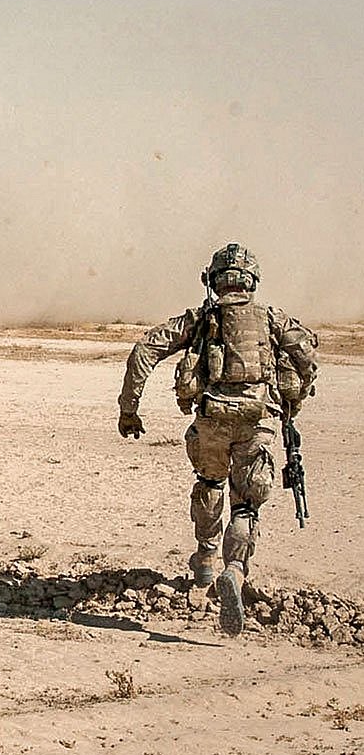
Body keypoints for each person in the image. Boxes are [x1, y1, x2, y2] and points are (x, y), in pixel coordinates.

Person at [117, 243, 318, 635]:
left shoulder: (198, 319)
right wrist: (296, 400)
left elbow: (146, 349)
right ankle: (236, 571)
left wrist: (129, 409)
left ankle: (205, 566)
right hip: (258, 419)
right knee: (245, 505)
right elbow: (306, 358)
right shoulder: (273, 319)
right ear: (252, 281)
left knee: (210, 484)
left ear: (212, 279)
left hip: (211, 419)